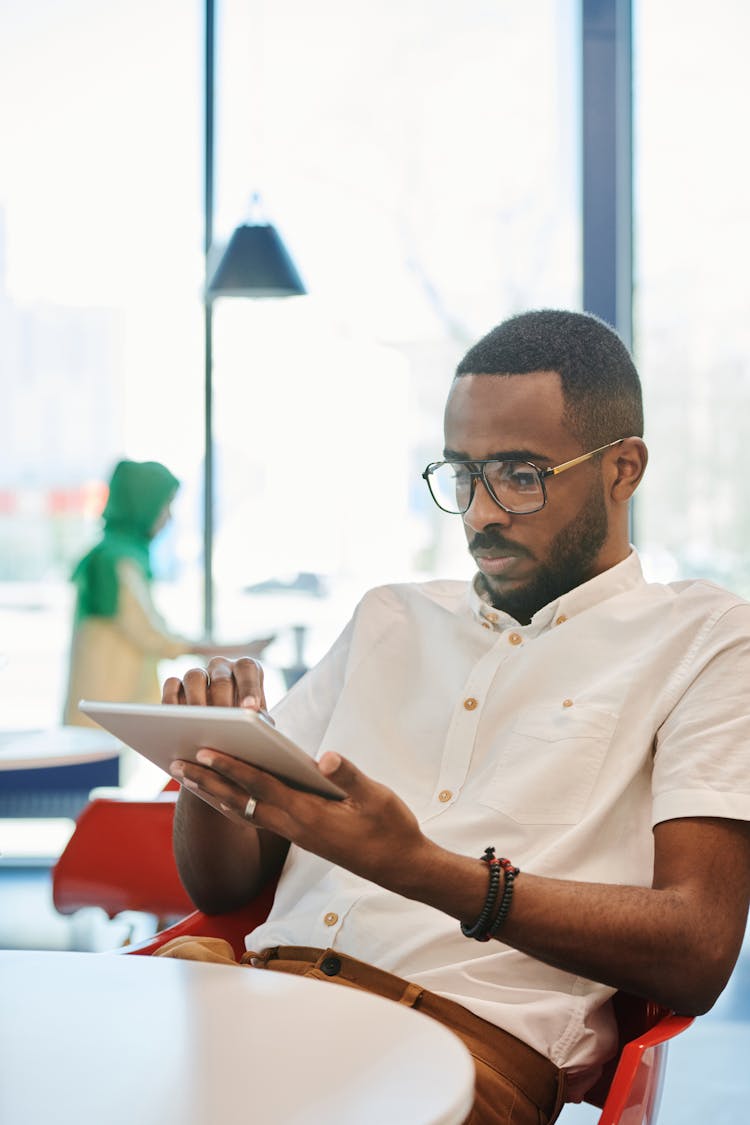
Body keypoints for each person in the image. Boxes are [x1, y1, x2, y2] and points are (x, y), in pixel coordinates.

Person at [161, 311, 750, 1125]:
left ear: (624, 469)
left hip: (457, 1051)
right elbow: (222, 881)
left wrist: (420, 867)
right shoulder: (387, 619)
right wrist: (213, 774)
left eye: (519, 474)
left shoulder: (706, 637)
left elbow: (698, 948)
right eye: (461, 474)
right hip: (254, 1005)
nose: (479, 514)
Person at [63, 459, 273, 728]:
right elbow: (153, 637)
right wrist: (239, 649)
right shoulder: (115, 561)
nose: (168, 517)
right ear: (142, 504)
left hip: (108, 710)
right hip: (104, 714)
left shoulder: (120, 555)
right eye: (166, 506)